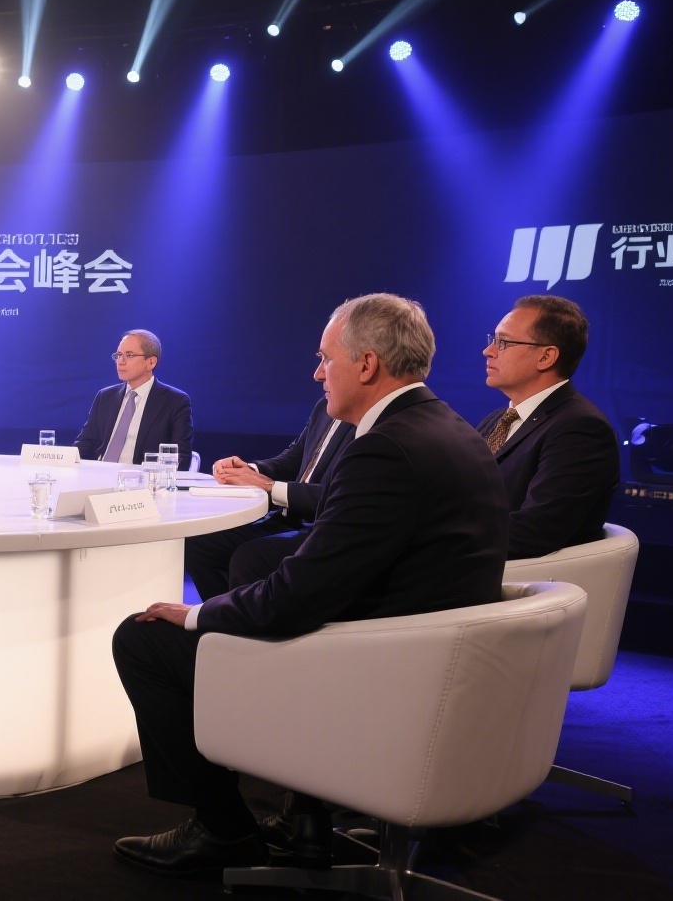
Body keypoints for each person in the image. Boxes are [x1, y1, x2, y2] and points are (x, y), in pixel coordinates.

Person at [109, 294, 507, 875]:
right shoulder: (453, 429)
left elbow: (294, 599)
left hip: (379, 676)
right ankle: (303, 817)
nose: (318, 374)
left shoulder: (385, 450)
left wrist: (194, 614)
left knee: (144, 639)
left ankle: (222, 830)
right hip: (432, 662)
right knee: (243, 580)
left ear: (366, 365)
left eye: (326, 359)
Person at [480, 295, 619, 559]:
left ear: (546, 357)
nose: (488, 351)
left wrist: (435, 543)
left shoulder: (580, 430)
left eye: (503, 342)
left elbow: (534, 531)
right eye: (492, 340)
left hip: (512, 576)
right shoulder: (495, 420)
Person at [183, 398, 353, 600]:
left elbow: (339, 497)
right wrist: (250, 471)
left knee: (248, 557)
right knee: (198, 542)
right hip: (286, 518)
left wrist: (270, 487)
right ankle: (220, 613)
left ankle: (242, 616)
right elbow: (293, 458)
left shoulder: (366, 423)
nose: (319, 379)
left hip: (319, 528)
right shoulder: (324, 406)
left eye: (327, 366)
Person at [74, 330, 193, 468]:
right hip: (99, 474)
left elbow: (181, 458)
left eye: (129, 355)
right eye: (119, 355)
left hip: (141, 478)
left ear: (151, 362)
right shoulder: (105, 397)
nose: (121, 361)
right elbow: (85, 444)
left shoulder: (175, 401)